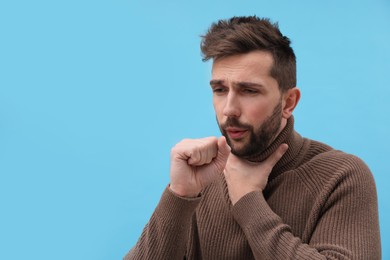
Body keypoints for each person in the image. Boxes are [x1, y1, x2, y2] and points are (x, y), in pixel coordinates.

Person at [124, 16, 381, 259]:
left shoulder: (341, 176)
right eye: (220, 90)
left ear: (288, 102)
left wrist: (248, 200)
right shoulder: (200, 179)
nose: (229, 109)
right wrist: (180, 195)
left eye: (248, 90)